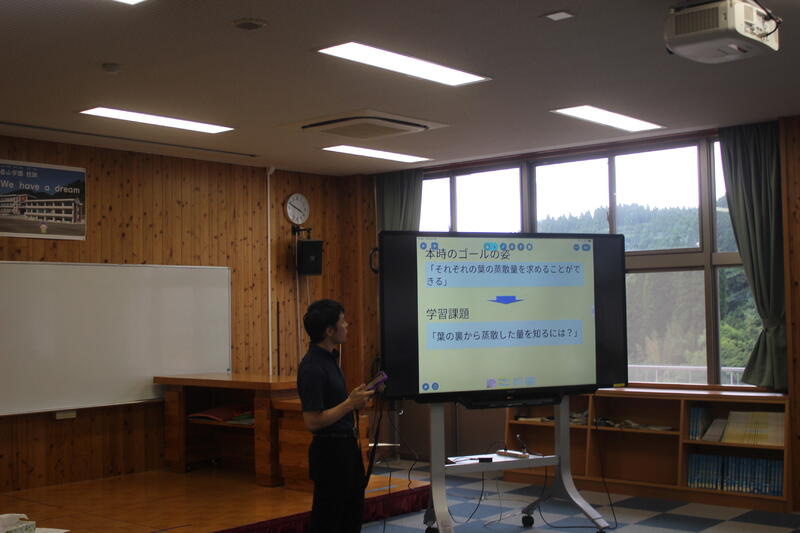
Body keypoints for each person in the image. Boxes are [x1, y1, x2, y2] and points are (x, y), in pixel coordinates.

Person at [297, 299, 374, 533]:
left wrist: (355, 401)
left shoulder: (330, 359)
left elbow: (338, 406)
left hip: (346, 448)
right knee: (329, 521)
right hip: (330, 453)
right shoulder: (312, 367)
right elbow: (312, 421)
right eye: (343, 321)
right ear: (329, 331)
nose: (347, 325)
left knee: (351, 517)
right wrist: (349, 403)